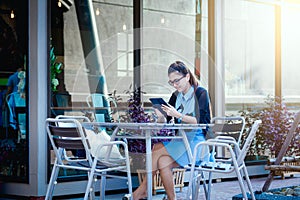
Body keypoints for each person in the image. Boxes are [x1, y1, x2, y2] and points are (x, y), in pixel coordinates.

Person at [133, 61, 212, 200]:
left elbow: (203, 123)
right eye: (171, 82)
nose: (175, 85)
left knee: (157, 147)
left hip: (197, 143)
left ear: (187, 77)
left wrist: (179, 115)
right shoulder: (176, 96)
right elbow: (167, 121)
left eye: (177, 80)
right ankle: (171, 198)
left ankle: (142, 190)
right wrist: (160, 117)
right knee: (163, 161)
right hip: (182, 141)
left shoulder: (201, 93)